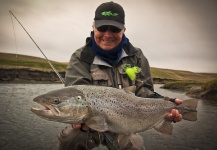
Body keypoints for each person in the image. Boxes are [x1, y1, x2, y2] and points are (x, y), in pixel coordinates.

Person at [58, 1, 183, 150]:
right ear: (93, 27)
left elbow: (145, 92)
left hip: (124, 125)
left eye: (115, 29)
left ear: (124, 29)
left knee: (136, 146)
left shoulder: (136, 56)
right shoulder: (81, 57)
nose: (108, 35)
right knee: (70, 139)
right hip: (88, 126)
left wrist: (165, 103)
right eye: (102, 28)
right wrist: (80, 119)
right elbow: (75, 92)